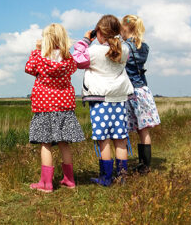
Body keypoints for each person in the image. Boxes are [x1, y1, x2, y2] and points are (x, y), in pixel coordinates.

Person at [73, 15, 134, 186]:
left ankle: (106, 178)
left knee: (104, 139)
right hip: (119, 99)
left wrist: (86, 40)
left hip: (100, 101)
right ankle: (122, 177)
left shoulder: (92, 52)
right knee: (120, 138)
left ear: (98, 31)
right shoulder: (125, 50)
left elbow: (76, 60)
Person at [25, 23, 85, 193]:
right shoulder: (68, 60)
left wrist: (36, 50)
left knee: (45, 144)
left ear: (46, 39)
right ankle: (69, 179)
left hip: (44, 106)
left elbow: (29, 68)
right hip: (64, 105)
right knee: (64, 143)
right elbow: (73, 69)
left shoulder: (39, 57)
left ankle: (46, 184)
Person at [121, 15, 160, 174]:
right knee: (143, 130)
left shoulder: (124, 47)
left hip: (129, 91)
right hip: (143, 90)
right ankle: (145, 165)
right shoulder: (145, 47)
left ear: (124, 28)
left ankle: (122, 164)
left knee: (123, 130)